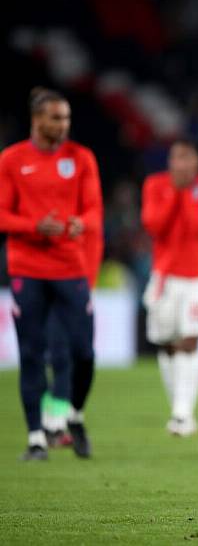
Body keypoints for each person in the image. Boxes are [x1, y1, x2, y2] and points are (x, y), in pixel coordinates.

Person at [0, 87, 102, 461]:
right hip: (27, 269)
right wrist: (32, 226)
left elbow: (93, 209)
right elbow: (2, 213)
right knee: (31, 353)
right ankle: (36, 438)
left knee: (83, 353)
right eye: (56, 118)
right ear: (37, 120)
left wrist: (81, 224)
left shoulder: (82, 158)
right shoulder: (11, 160)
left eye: (67, 118)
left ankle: (72, 414)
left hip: (70, 267)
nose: (63, 125)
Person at [141, 140, 198, 437]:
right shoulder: (156, 185)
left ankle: (182, 414)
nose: (180, 164)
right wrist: (177, 193)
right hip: (165, 277)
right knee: (166, 343)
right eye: (175, 158)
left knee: (190, 340)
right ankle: (179, 408)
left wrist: (186, 194)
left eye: (186, 157)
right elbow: (153, 225)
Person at [42, 196, 103, 448]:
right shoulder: (50, 217)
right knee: (59, 357)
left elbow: (93, 252)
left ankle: (74, 414)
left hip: (80, 291)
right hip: (51, 290)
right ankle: (52, 425)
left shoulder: (87, 220)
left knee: (84, 357)